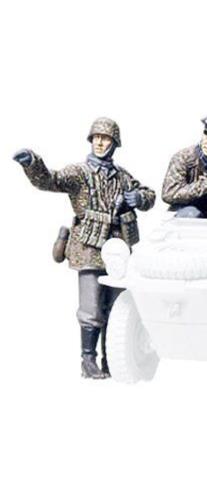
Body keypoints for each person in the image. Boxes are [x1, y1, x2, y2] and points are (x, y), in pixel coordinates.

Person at [13, 117, 156, 379]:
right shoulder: (79, 173)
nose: (100, 143)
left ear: (115, 143)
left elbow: (148, 195)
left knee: (116, 306)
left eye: (106, 139)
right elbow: (51, 180)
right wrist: (32, 163)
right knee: (91, 308)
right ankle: (88, 361)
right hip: (88, 247)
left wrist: (139, 197)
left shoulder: (122, 176)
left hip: (118, 248)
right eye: (96, 138)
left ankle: (111, 358)